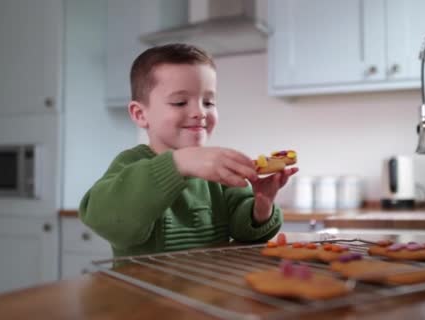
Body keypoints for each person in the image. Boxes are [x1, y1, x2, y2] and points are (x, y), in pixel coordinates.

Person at [79, 43, 297, 257]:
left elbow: (245, 232)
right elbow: (106, 218)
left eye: (209, 102)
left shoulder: (218, 169)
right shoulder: (131, 163)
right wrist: (178, 163)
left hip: (207, 289)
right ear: (140, 114)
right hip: (145, 292)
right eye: (180, 102)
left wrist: (261, 206)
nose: (200, 112)